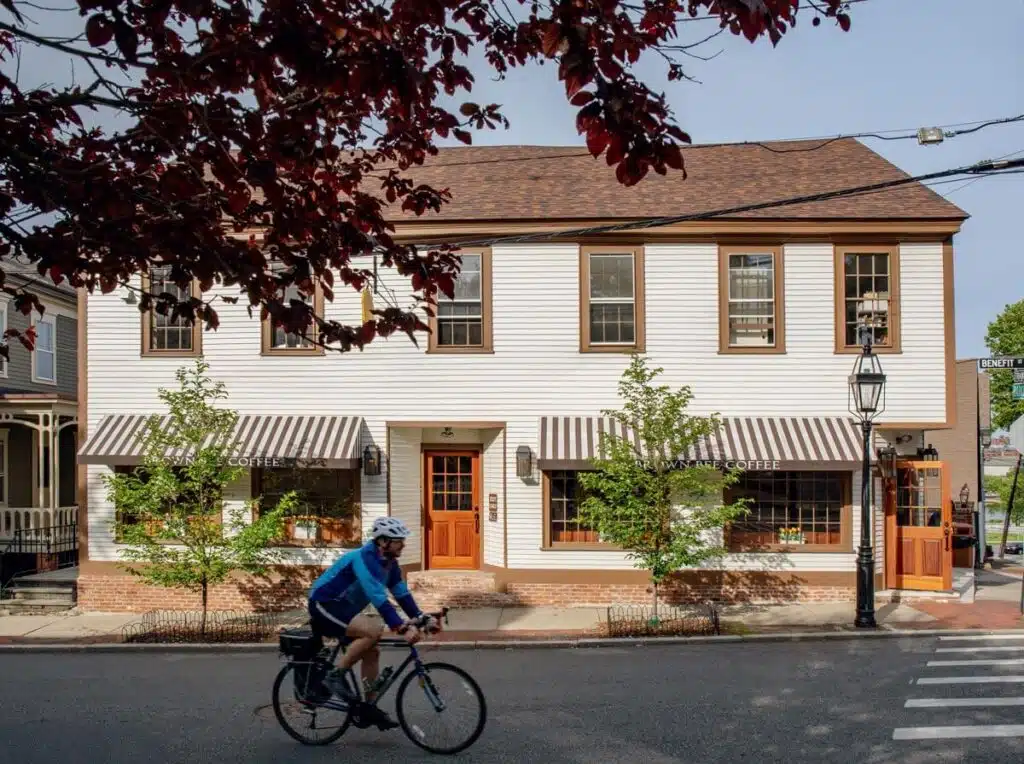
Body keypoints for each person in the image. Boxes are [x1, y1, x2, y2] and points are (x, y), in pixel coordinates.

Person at [306, 516, 436, 730]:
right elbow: (378, 598)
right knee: (373, 630)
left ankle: (368, 708)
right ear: (383, 541)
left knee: (372, 651)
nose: (402, 544)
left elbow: (401, 594)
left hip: (346, 609)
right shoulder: (364, 559)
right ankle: (334, 676)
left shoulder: (390, 564)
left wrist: (422, 618)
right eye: (398, 540)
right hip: (325, 603)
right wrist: (402, 628)